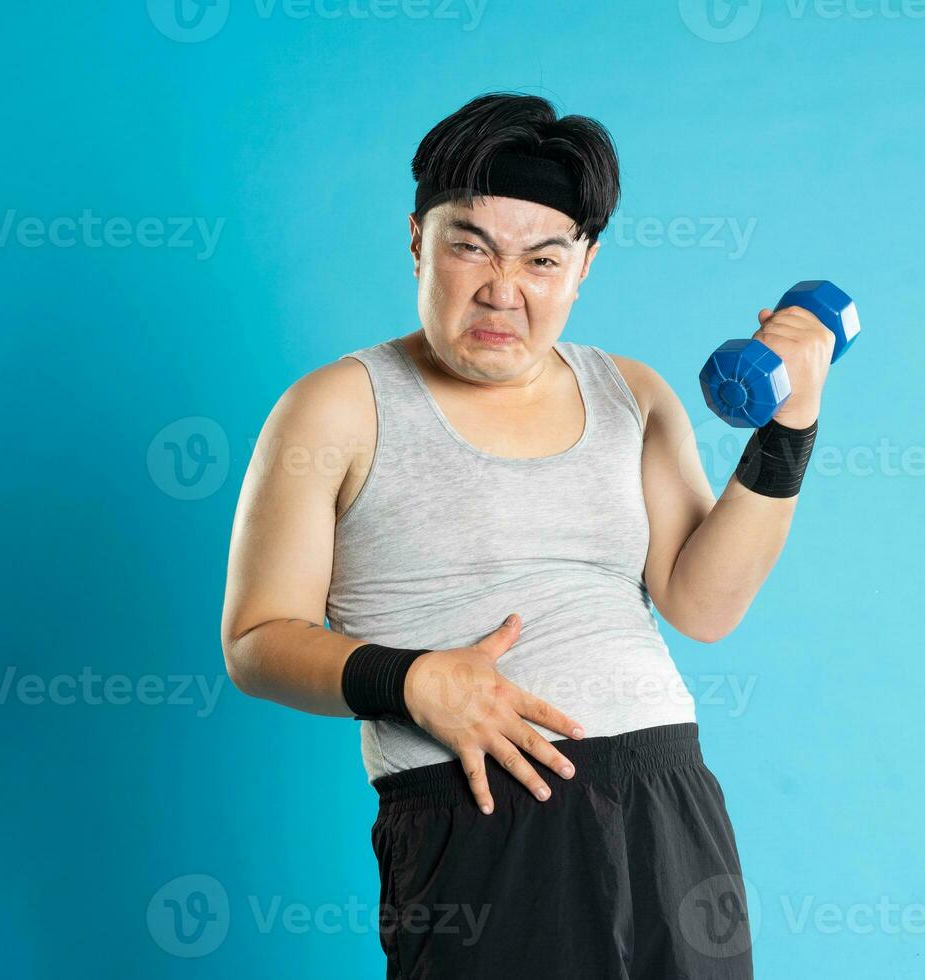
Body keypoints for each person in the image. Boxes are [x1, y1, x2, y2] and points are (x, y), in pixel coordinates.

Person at [219, 91, 829, 979]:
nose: (503, 289)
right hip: (481, 816)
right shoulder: (336, 407)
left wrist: (789, 429)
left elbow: (703, 604)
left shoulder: (633, 392)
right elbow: (255, 642)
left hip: (669, 800)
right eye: (470, 245)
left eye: (542, 259)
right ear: (418, 240)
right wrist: (412, 679)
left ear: (584, 265)